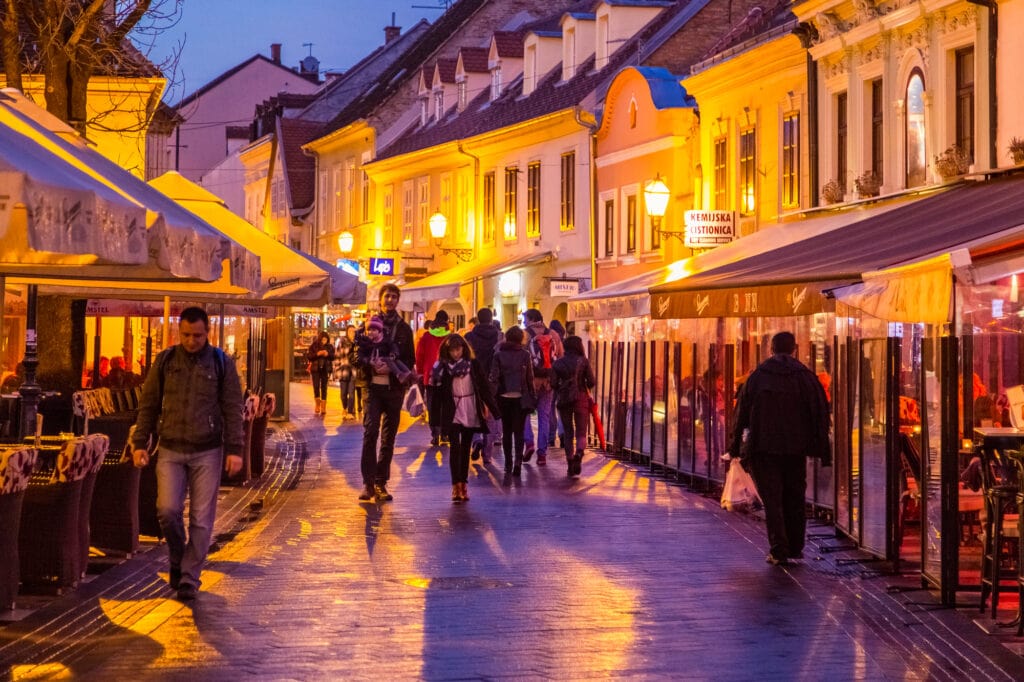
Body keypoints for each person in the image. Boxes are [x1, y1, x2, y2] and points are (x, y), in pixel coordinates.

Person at [130, 306, 244, 601]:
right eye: (186, 335)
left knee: (202, 520)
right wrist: (140, 442)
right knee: (167, 511)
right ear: (178, 333)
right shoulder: (166, 360)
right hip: (170, 447)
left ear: (208, 333)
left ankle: (189, 579)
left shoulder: (221, 363)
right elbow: (149, 404)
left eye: (197, 335)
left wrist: (235, 449)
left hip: (207, 449)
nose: (191, 341)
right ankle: (179, 559)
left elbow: (233, 408)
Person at [729, 331, 831, 566]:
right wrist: (820, 446)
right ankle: (796, 546)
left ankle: (779, 548)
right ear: (794, 349)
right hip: (796, 449)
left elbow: (741, 413)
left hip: (764, 448)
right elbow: (820, 414)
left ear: (771, 349)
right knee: (795, 495)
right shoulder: (805, 377)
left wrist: (735, 446)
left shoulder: (758, 377)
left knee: (772, 499)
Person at [351, 284, 415, 502]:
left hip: (393, 389)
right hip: (372, 388)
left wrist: (392, 366)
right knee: (370, 433)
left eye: (394, 297)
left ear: (398, 301)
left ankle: (381, 482)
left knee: (389, 437)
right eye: (387, 296)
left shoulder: (404, 329)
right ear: (380, 300)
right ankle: (368, 483)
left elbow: (410, 359)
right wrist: (370, 364)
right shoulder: (367, 326)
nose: (390, 300)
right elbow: (354, 356)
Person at [429, 334, 499, 501]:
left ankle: (464, 485)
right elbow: (436, 395)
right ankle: (455, 485)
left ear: (464, 348)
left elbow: (483, 386)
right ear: (447, 350)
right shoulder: (441, 368)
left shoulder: (473, 365)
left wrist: (493, 409)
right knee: (455, 447)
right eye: (452, 350)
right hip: (452, 410)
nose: (456, 353)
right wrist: (435, 420)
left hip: (470, 407)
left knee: (466, 447)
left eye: (458, 349)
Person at [490, 326, 535, 476]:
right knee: (519, 432)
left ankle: (508, 463)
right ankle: (517, 463)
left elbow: (494, 378)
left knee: (507, 432)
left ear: (507, 338)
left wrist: (492, 396)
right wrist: (532, 396)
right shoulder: (525, 354)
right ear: (520, 339)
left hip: (503, 397)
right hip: (521, 397)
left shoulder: (498, 355)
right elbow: (529, 378)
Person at [521, 309, 563, 466]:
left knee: (525, 412)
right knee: (544, 416)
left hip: (529, 382)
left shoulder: (524, 335)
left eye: (525, 320)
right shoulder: (553, 334)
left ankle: (529, 442)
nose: (524, 323)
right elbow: (560, 358)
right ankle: (542, 454)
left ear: (532, 319)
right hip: (547, 383)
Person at [550, 335, 595, 478]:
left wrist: (562, 388)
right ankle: (579, 454)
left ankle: (570, 464)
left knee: (568, 432)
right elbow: (591, 381)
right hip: (581, 398)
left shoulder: (558, 363)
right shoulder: (584, 361)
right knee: (581, 432)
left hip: (564, 400)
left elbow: (553, 384)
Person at [465, 307, 502, 462]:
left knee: (474, 411)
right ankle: (487, 454)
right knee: (492, 414)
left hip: (474, 378)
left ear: (478, 319)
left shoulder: (469, 336)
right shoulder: (500, 336)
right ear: (491, 320)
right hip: (493, 379)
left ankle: (477, 439)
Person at [416, 310, 451, 447]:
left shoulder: (426, 337)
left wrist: (420, 371)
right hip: (447, 376)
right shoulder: (450, 337)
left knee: (432, 405)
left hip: (430, 377)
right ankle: (445, 433)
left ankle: (435, 433)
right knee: (446, 404)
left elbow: (419, 355)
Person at [307, 331, 335, 416]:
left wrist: (327, 354)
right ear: (320, 339)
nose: (324, 341)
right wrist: (317, 354)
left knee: (324, 387)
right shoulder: (314, 346)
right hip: (315, 369)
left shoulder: (330, 347)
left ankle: (323, 407)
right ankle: (317, 405)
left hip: (325, 369)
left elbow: (333, 357)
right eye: (323, 339)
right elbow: (309, 357)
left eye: (326, 339)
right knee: (316, 386)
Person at [336, 326, 359, 420]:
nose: (352, 333)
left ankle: (350, 411)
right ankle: (344, 408)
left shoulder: (357, 343)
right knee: (343, 393)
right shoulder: (342, 342)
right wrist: (336, 370)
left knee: (352, 392)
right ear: (347, 332)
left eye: (354, 331)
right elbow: (338, 355)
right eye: (350, 331)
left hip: (353, 370)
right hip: (343, 370)